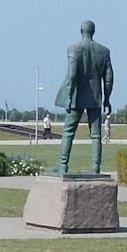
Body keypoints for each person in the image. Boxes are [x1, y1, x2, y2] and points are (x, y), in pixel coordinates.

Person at [52, 20, 114, 174]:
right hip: (95, 98)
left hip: (77, 97)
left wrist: (68, 96)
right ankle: (95, 167)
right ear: (94, 31)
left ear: (81, 31)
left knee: (68, 132)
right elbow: (109, 78)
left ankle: (63, 165)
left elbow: (72, 75)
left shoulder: (74, 49)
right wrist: (107, 98)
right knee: (96, 135)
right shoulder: (104, 51)